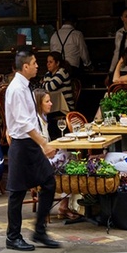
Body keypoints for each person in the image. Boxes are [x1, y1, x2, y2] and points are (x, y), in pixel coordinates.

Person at [4, 48, 60, 251]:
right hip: (22, 145)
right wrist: (44, 143)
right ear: (25, 66)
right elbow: (23, 123)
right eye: (35, 63)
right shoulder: (17, 89)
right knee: (17, 192)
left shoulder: (25, 86)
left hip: (30, 144)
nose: (38, 65)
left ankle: (39, 231)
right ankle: (13, 237)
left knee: (49, 182)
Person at [34, 89, 79, 220]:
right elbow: (37, 147)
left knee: (71, 157)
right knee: (71, 160)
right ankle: (65, 204)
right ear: (38, 104)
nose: (51, 104)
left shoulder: (43, 118)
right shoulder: (35, 122)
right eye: (47, 101)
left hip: (45, 159)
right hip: (40, 163)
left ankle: (66, 204)